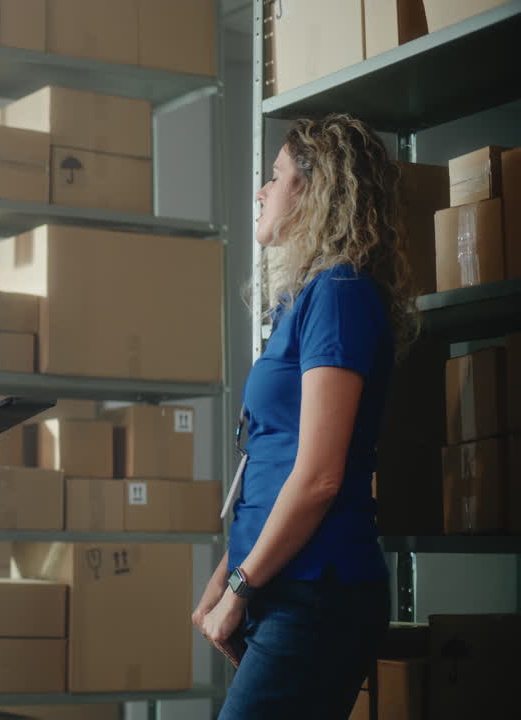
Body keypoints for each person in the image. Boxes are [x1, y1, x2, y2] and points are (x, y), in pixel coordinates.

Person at [193, 114, 417, 719]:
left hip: (318, 590)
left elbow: (318, 476)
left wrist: (240, 586)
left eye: (276, 176)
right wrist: (228, 576)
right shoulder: (308, 297)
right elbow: (273, 457)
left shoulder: (340, 295)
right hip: (285, 583)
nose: (261, 192)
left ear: (316, 192)